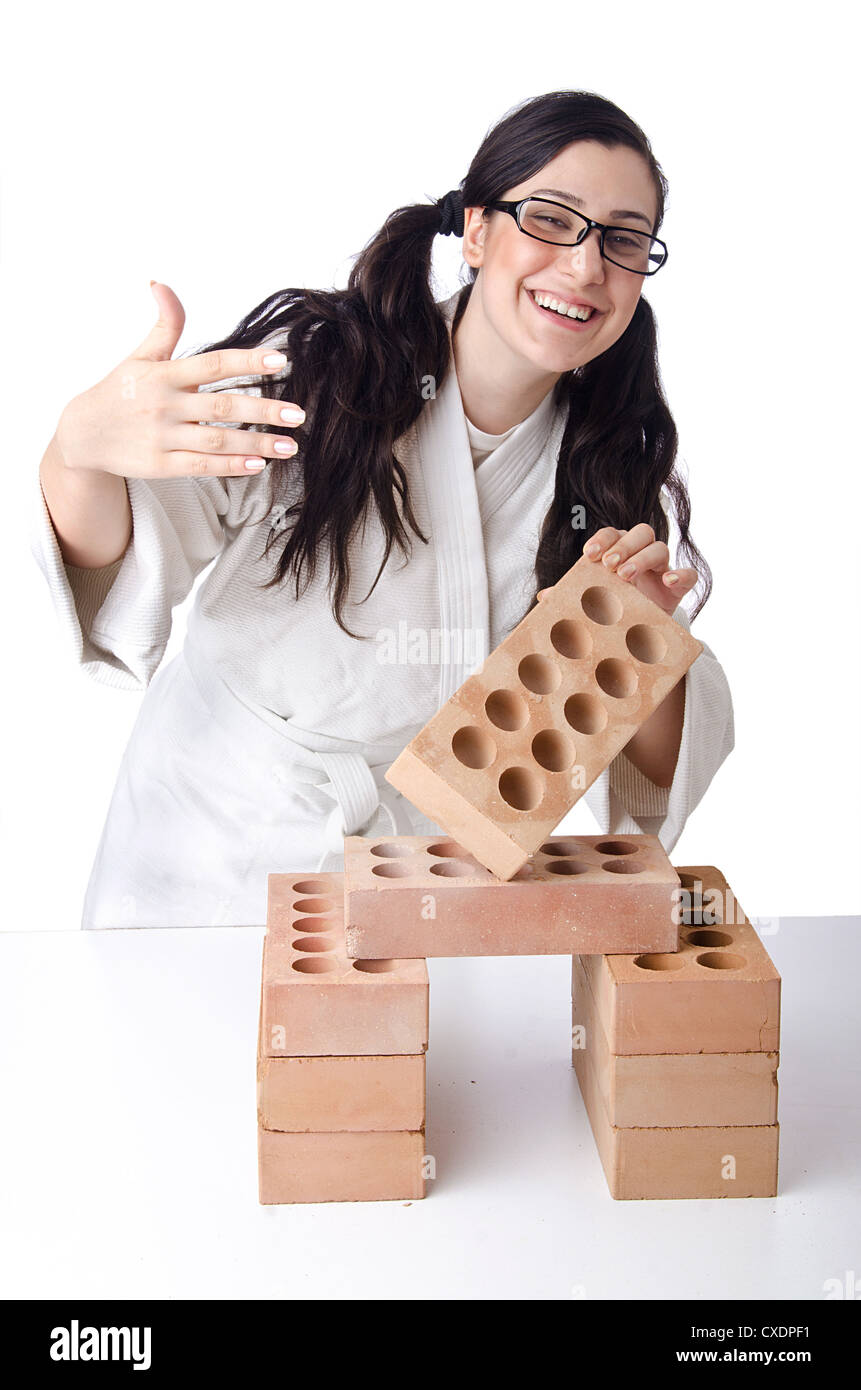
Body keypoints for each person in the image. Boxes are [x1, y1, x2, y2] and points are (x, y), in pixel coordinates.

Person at [32, 89, 733, 929]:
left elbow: (639, 770)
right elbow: (119, 562)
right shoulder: (327, 376)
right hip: (209, 847)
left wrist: (638, 645)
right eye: (550, 218)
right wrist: (78, 449)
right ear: (475, 230)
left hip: (420, 882)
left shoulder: (603, 471)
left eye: (622, 239)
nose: (585, 267)